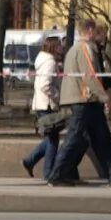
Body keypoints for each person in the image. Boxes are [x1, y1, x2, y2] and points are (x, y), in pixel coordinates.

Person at [49, 19, 111, 186]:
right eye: (95, 30)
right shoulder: (85, 49)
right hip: (82, 100)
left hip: (87, 101)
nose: (98, 34)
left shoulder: (76, 49)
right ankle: (56, 175)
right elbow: (90, 77)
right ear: (89, 30)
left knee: (102, 138)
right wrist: (106, 97)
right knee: (74, 137)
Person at [21, 35, 65, 180]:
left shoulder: (43, 60)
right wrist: (57, 96)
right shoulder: (50, 62)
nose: (61, 47)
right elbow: (45, 85)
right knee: (53, 139)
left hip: (41, 103)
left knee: (51, 137)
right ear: (53, 46)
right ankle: (48, 173)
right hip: (47, 104)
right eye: (59, 45)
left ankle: (30, 161)